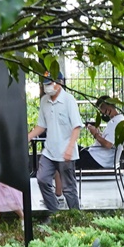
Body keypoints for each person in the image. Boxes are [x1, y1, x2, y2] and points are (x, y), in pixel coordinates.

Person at [29, 73, 82, 212]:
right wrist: (28, 136)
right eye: (45, 84)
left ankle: (76, 218)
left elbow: (77, 127)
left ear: (60, 83)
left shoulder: (69, 100)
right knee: (42, 179)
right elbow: (42, 125)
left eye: (50, 83)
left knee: (68, 189)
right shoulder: (44, 101)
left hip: (66, 152)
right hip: (49, 151)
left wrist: (70, 148)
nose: (47, 87)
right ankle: (54, 213)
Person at [87, 96, 124, 168]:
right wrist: (99, 133)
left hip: (98, 159)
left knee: (71, 153)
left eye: (102, 109)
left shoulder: (115, 122)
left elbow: (108, 145)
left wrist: (95, 134)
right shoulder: (118, 120)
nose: (102, 112)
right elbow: (110, 140)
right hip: (98, 156)